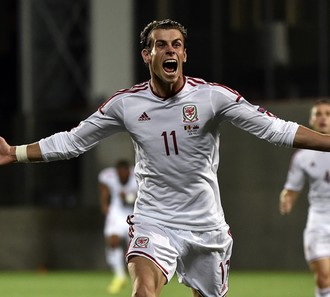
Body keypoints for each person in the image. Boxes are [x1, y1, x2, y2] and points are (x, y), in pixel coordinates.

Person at [1, 19, 330, 297]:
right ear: (147, 55)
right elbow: (73, 141)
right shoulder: (126, 105)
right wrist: (14, 153)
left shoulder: (213, 97)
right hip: (155, 219)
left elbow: (276, 129)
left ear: (184, 53)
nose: (170, 49)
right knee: (144, 290)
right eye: (161, 45)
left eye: (176, 44)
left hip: (206, 225)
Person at [279, 99, 330, 297]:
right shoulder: (303, 156)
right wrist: (286, 199)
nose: (323, 118)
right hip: (319, 220)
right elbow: (291, 189)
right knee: (323, 276)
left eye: (327, 113)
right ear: (311, 119)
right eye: (318, 114)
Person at [98, 159, 137, 294]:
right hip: (116, 212)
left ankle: (136, 278)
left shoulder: (137, 177)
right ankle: (119, 275)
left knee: (134, 249)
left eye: (124, 172)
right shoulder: (108, 176)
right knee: (112, 241)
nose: (122, 175)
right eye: (119, 172)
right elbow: (103, 187)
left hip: (134, 214)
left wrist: (128, 197)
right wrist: (104, 204)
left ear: (128, 172)